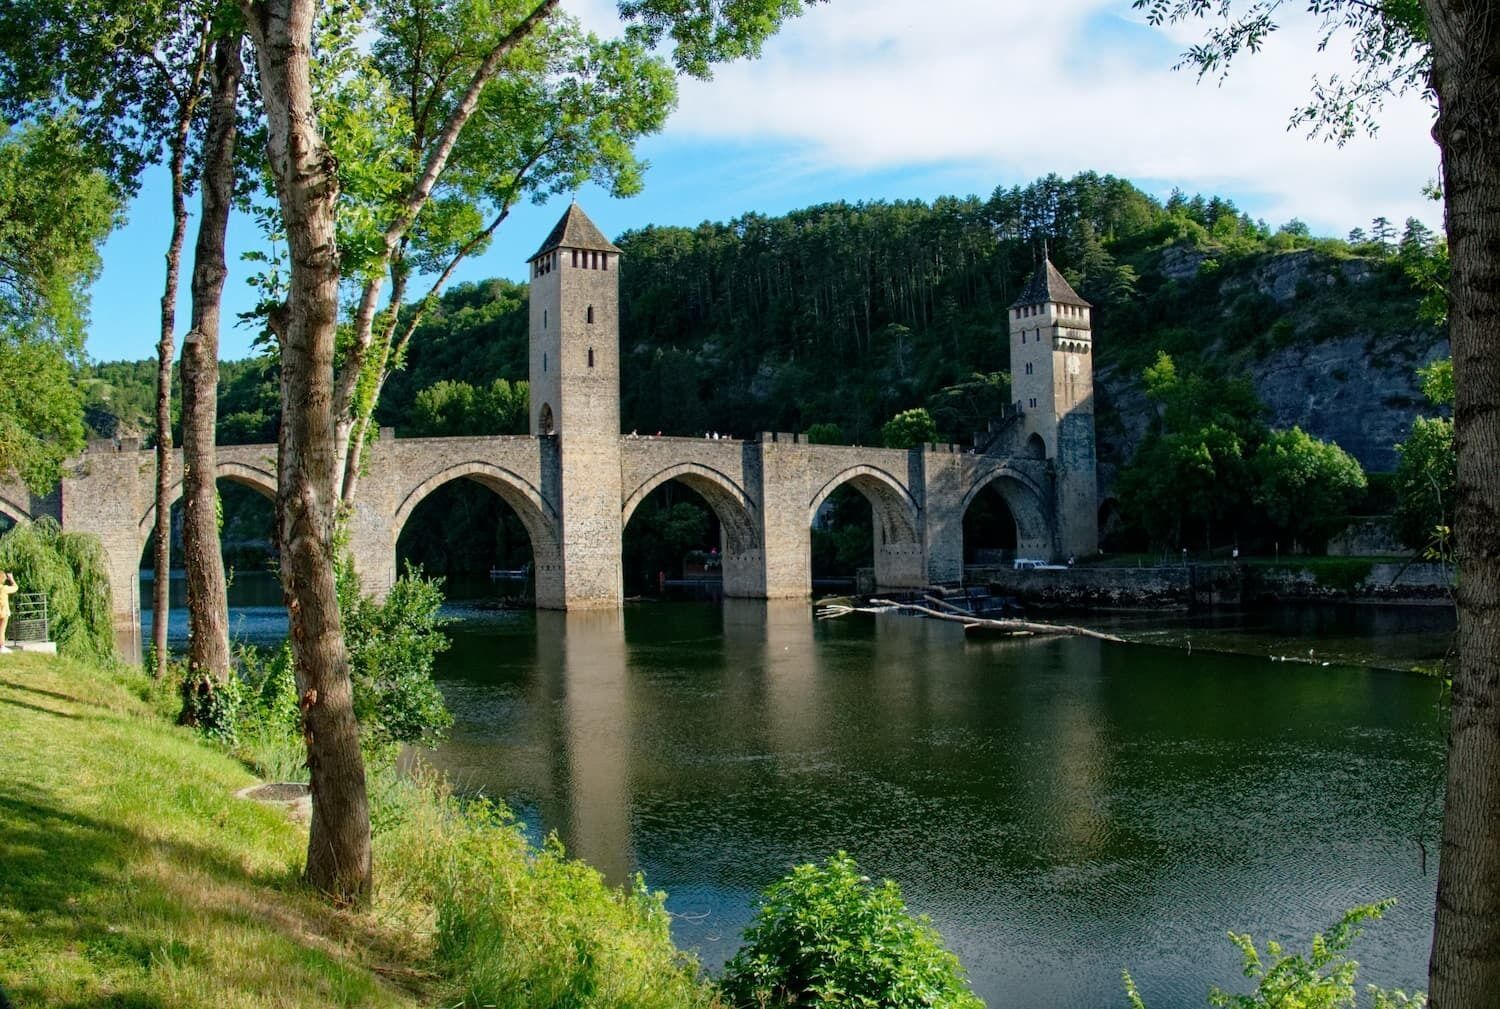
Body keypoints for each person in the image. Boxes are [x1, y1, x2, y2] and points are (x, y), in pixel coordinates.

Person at [0, 571, 17, 651]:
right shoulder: (4, 588)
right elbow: (15, 588)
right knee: (2, 630)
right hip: (4, 612)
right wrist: (11, 579)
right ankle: (2, 647)